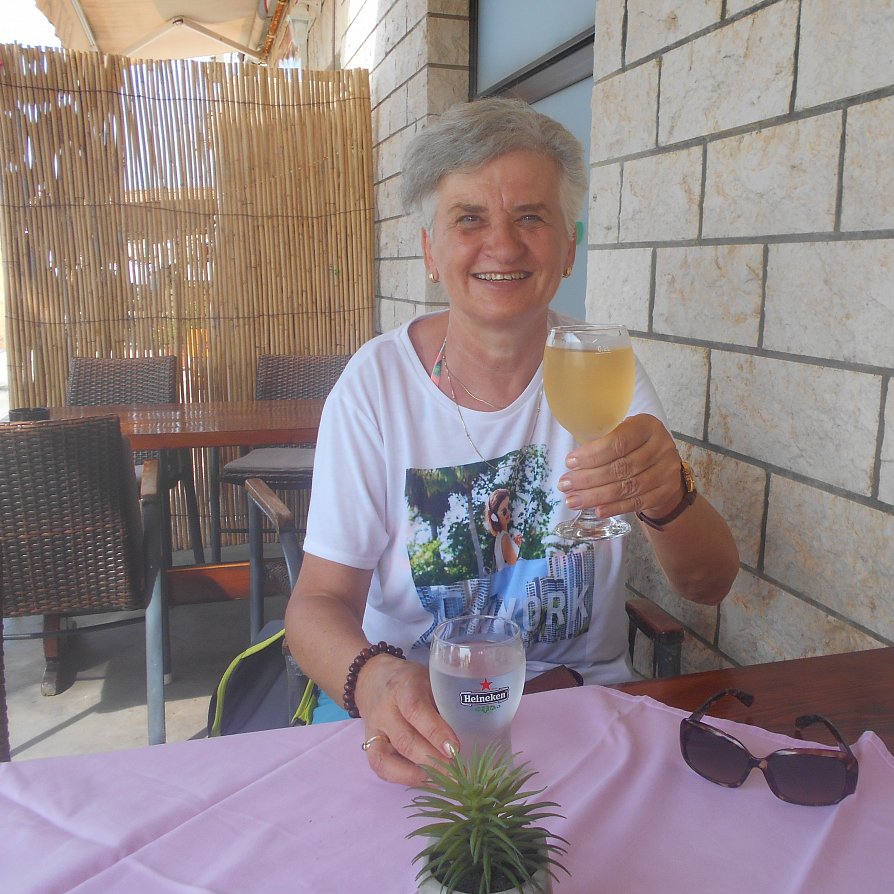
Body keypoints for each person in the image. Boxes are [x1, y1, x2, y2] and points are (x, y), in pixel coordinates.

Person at [285, 97, 739, 785]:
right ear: (431, 251)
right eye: (469, 219)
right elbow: (317, 603)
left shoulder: (602, 370)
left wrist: (668, 494)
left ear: (570, 248)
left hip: (578, 714)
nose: (502, 245)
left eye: (531, 217)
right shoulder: (375, 386)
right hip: (418, 718)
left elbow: (709, 584)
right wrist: (375, 681)